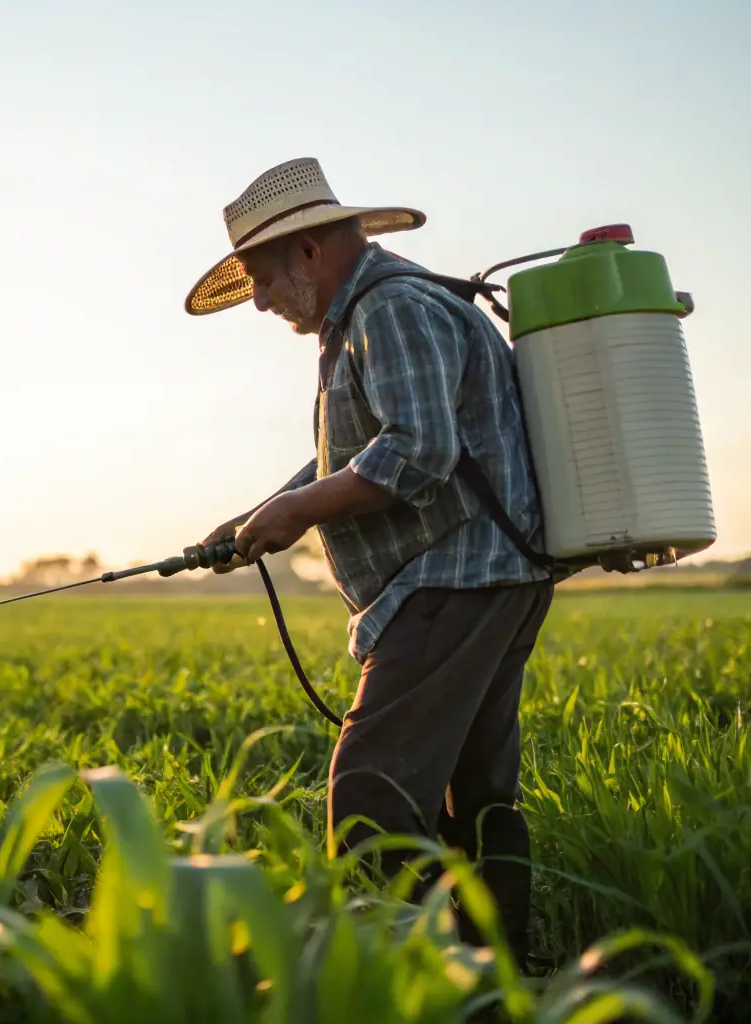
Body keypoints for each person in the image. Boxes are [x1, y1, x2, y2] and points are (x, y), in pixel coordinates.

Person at [185, 156, 555, 966]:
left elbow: (417, 453)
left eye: (261, 274)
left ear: (310, 251)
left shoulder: (386, 310)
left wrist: (293, 512)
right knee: (476, 802)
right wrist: (257, 517)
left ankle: (390, 982)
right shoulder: (382, 311)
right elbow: (352, 455)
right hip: (489, 579)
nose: (258, 298)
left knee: (371, 800)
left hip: (450, 581)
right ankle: (492, 979)